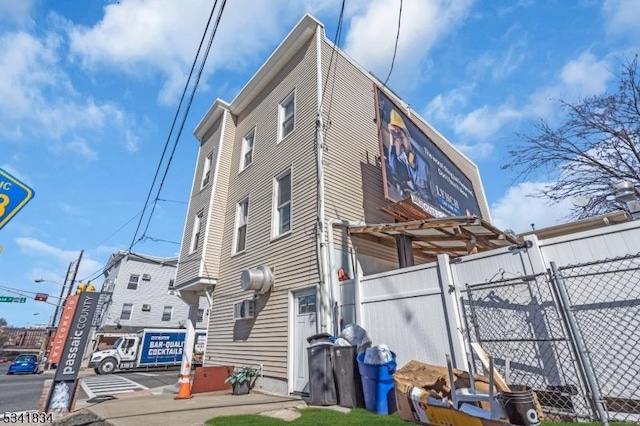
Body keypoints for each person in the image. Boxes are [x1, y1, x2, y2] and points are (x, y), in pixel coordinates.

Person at [386, 109, 432, 201]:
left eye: (399, 134)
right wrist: (392, 139)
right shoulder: (405, 157)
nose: (399, 139)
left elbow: (429, 197)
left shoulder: (422, 161)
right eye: (396, 136)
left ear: (407, 135)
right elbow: (394, 167)